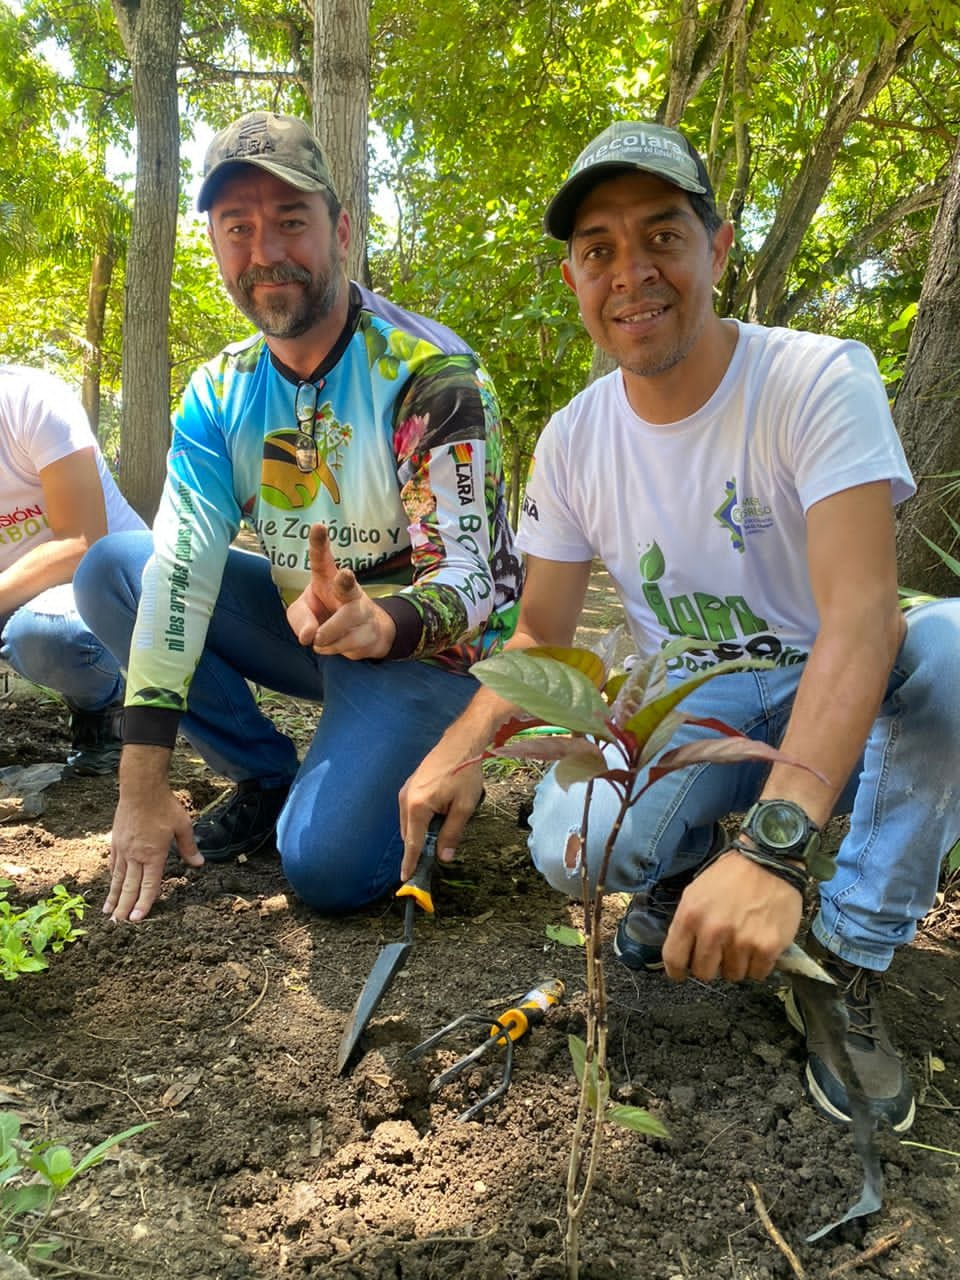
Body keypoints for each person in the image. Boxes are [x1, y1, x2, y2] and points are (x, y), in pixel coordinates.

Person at [400, 120, 960, 1135]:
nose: (631, 273)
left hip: (839, 663)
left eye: (663, 236)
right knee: (574, 838)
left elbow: (863, 614)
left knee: (957, 649)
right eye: (599, 249)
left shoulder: (816, 378)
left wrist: (780, 846)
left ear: (720, 246)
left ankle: (845, 951)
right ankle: (684, 872)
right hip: (702, 690)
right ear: (573, 275)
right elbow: (538, 637)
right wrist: (456, 749)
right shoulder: (575, 440)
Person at [75, 111, 521, 927]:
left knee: (324, 870)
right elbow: (180, 572)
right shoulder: (219, 393)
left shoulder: (429, 376)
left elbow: (478, 578)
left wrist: (382, 620)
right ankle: (265, 772)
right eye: (237, 228)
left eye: (290, 222)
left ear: (341, 228)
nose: (265, 252)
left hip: (431, 661)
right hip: (311, 633)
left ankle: (446, 753)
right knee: (114, 569)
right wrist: (140, 786)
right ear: (212, 244)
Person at [0, 364, 145, 772]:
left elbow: (80, 544)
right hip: (11, 593)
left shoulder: (31, 402)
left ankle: (104, 707)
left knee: (49, 635)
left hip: (99, 587)